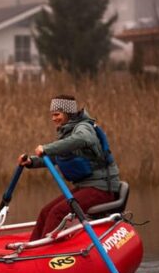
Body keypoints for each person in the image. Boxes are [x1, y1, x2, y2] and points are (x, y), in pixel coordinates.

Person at [19, 94, 121, 241]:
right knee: (45, 212)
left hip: (102, 188)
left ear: (68, 113)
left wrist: (47, 148)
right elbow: (57, 157)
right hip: (86, 187)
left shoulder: (83, 127)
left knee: (57, 212)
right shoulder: (68, 132)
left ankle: (46, 252)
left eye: (57, 114)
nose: (53, 118)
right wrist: (31, 162)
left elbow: (83, 139)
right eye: (52, 115)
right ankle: (32, 250)